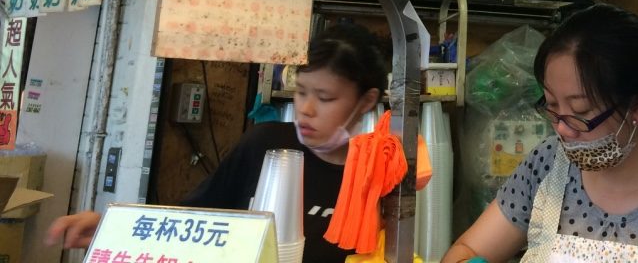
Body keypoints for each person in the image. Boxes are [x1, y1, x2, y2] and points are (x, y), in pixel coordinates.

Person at [46, 21, 388, 263]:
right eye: (301, 92)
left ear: (366, 101)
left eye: (325, 98)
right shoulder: (264, 145)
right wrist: (113, 227)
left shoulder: (380, 174)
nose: (306, 109)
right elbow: (193, 219)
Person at [442, 3, 638, 263]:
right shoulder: (546, 165)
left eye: (581, 114)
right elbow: (467, 251)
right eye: (552, 107)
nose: (563, 129)